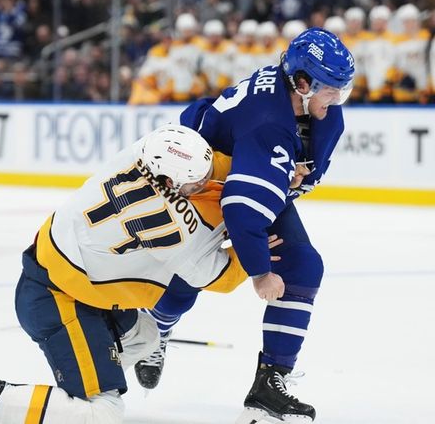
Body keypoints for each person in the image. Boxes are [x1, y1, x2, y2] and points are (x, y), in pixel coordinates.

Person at [0, 124, 277, 424]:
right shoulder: (174, 231)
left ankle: (85, 384)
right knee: (104, 414)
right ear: (171, 180)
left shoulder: (142, 150)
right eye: (196, 182)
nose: (205, 182)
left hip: (69, 271)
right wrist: (255, 244)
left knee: (144, 337)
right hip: (56, 296)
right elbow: (223, 277)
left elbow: (206, 165)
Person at [135, 27, 355, 424]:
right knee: (194, 272)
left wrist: (286, 174)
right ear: (303, 84)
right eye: (331, 90)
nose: (337, 99)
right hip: (201, 187)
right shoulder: (269, 122)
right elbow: (240, 207)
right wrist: (260, 274)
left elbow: (291, 175)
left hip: (241, 173)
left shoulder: (305, 104)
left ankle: (270, 382)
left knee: (303, 265)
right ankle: (155, 331)